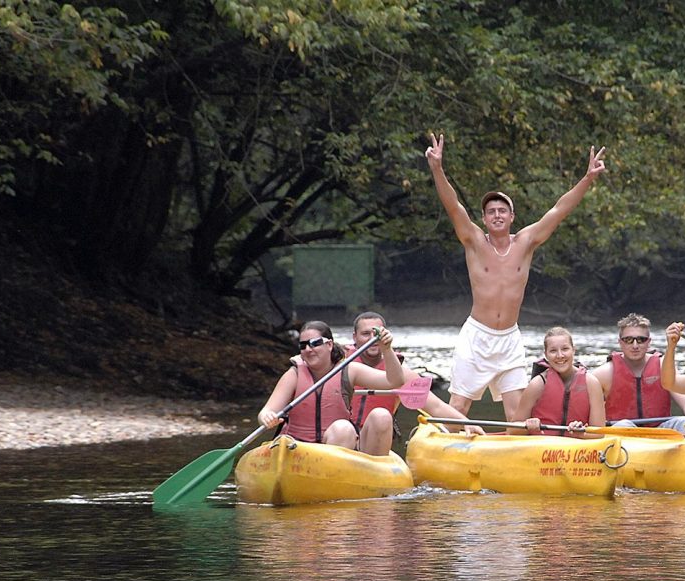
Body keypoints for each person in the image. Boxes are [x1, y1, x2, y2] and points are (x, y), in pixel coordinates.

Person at [425, 132, 607, 420]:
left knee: (517, 414)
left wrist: (587, 179)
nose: (497, 215)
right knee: (458, 408)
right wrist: (437, 168)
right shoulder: (473, 240)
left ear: (512, 217)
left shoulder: (525, 242)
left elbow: (558, 211)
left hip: (509, 337)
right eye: (491, 211)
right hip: (476, 337)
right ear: (483, 219)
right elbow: (453, 206)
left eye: (502, 211)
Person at [257, 320, 405, 455]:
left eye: (315, 343)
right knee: (343, 429)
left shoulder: (349, 370)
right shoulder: (294, 374)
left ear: (329, 345)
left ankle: (365, 474)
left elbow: (395, 381)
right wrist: (267, 417)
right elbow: (266, 411)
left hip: (337, 447)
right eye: (303, 345)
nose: (308, 349)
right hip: (297, 449)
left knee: (377, 417)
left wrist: (386, 349)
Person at [346, 311, 484, 435]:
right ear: (354, 337)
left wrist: (466, 423)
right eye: (365, 334)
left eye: (376, 334)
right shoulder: (339, 364)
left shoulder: (401, 375)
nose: (372, 339)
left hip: (375, 439)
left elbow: (436, 407)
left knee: (380, 417)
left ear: (385, 335)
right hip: (343, 437)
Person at [592, 313, 685, 435]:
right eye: (628, 340)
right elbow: (585, 405)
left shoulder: (662, 366)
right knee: (624, 425)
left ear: (648, 342)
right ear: (620, 342)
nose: (635, 346)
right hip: (622, 434)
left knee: (683, 422)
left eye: (641, 340)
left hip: (661, 433)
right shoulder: (604, 373)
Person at [509, 327, 606, 437]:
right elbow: (512, 430)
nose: (560, 355)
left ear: (573, 350)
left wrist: (580, 434)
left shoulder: (591, 383)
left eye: (565, 349)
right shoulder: (537, 384)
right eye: (553, 351)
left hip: (577, 449)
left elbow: (599, 433)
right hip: (543, 449)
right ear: (545, 354)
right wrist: (527, 426)